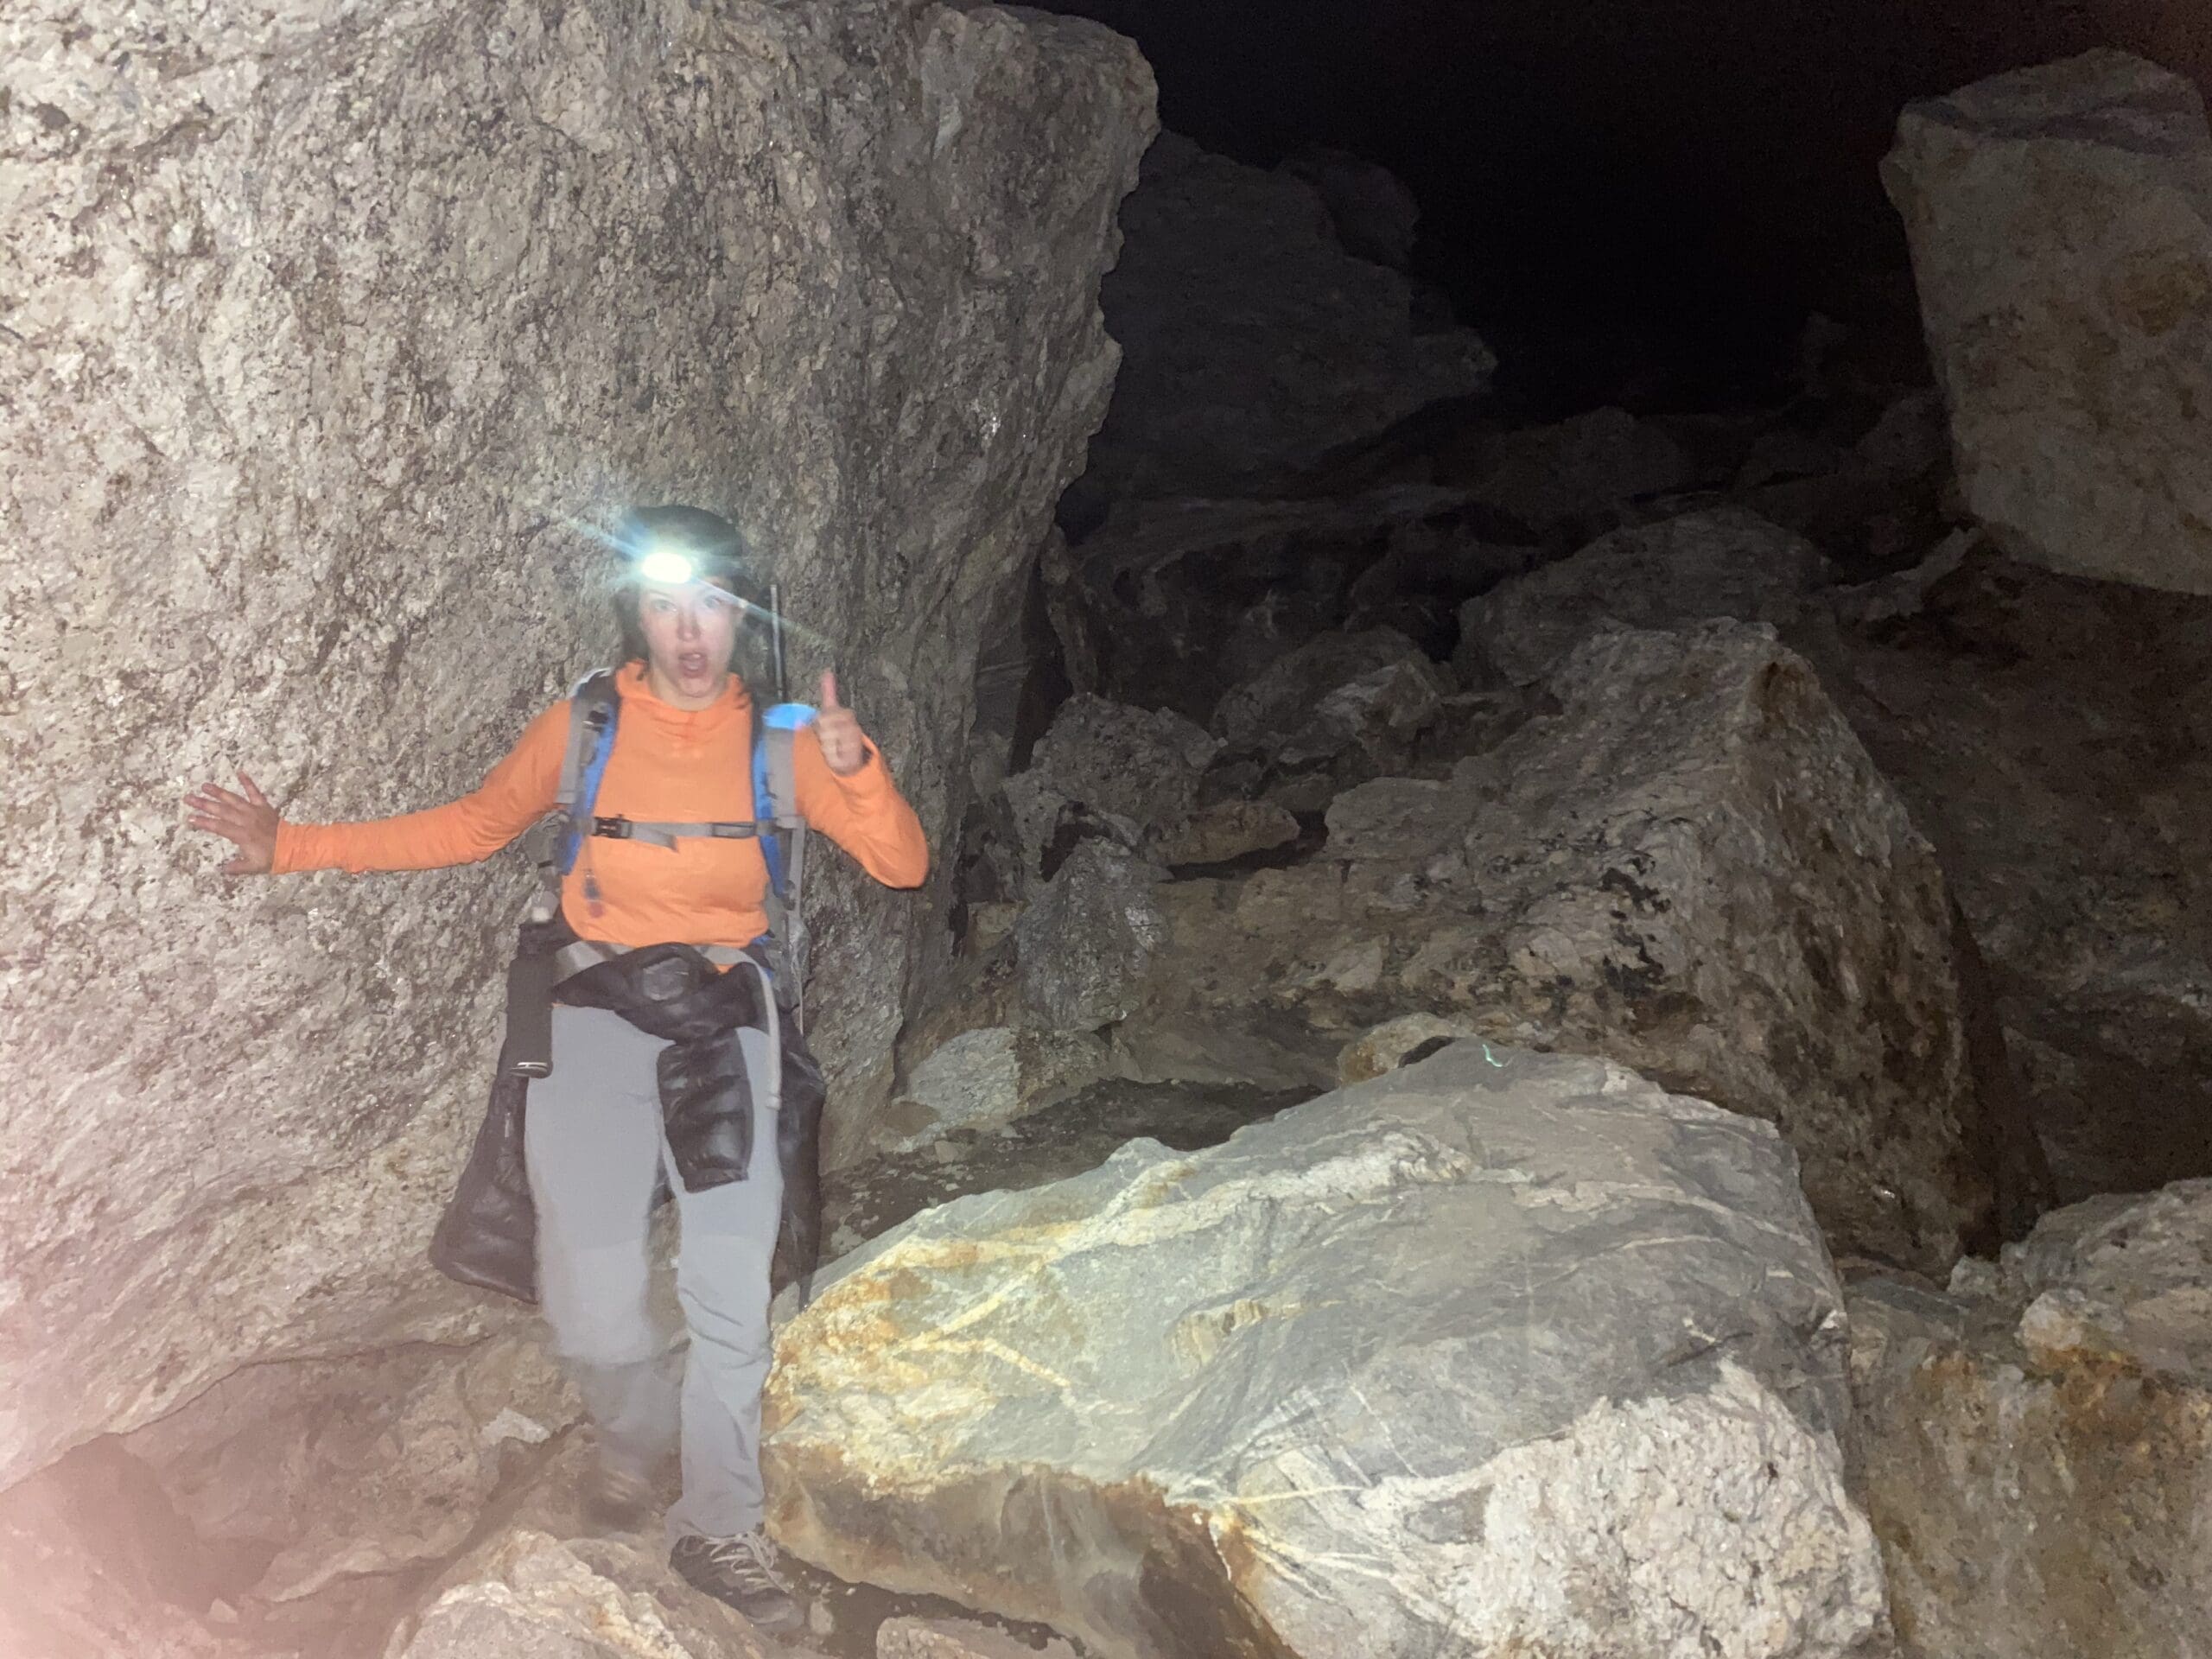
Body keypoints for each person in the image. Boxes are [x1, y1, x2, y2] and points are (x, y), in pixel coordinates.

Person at [185, 507, 928, 1632]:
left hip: (728, 1021)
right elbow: (471, 827)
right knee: (588, 1307)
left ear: (741, 617)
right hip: (591, 1012)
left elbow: (903, 865)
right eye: (667, 605)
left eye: (712, 605)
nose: (691, 631)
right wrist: (292, 845)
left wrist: (855, 768)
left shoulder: (783, 743)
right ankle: (638, 1438)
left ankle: (719, 1525)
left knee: (731, 1291)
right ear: (639, 614)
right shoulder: (586, 727)